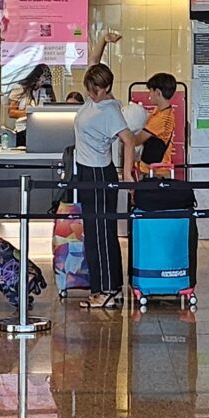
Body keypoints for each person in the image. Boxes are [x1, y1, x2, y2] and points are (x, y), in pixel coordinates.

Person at [69, 62, 141, 309]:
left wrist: (128, 173)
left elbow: (129, 140)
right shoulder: (93, 102)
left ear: (107, 87)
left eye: (96, 90)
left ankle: (107, 290)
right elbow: (93, 62)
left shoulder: (110, 109)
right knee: (95, 232)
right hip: (88, 173)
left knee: (101, 234)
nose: (91, 94)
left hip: (99, 173)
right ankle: (107, 288)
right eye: (90, 90)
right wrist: (102, 41)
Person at [128, 72, 179, 178]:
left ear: (158, 92)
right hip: (150, 170)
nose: (149, 95)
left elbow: (137, 140)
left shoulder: (162, 118)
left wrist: (123, 135)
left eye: (151, 91)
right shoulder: (160, 112)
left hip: (156, 174)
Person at [7, 63, 56, 147]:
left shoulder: (46, 91)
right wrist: (31, 112)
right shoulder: (20, 89)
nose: (41, 83)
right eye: (40, 80)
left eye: (44, 81)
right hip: (23, 129)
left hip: (43, 129)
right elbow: (11, 112)